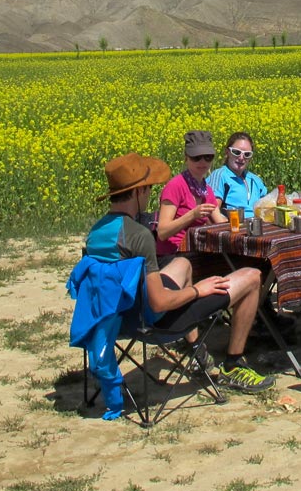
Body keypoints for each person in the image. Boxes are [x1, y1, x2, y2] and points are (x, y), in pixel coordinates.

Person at [85, 151, 275, 392]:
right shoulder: (138, 236)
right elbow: (159, 303)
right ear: (137, 192)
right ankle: (233, 366)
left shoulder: (97, 232)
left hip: (118, 316)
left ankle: (197, 351)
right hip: (155, 322)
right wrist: (198, 290)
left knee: (183, 264)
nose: (149, 194)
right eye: (147, 188)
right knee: (252, 276)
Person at [156, 130, 226, 258]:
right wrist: (193, 215)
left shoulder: (206, 190)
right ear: (186, 158)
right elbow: (162, 232)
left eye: (208, 157)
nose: (203, 162)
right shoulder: (175, 186)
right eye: (196, 157)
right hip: (172, 254)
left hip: (196, 251)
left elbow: (221, 223)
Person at [207, 132, 268, 219]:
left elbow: (268, 207)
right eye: (236, 152)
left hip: (257, 226)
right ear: (227, 152)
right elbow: (212, 211)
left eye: (247, 154)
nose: (241, 157)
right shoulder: (221, 175)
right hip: (232, 228)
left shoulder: (255, 180)